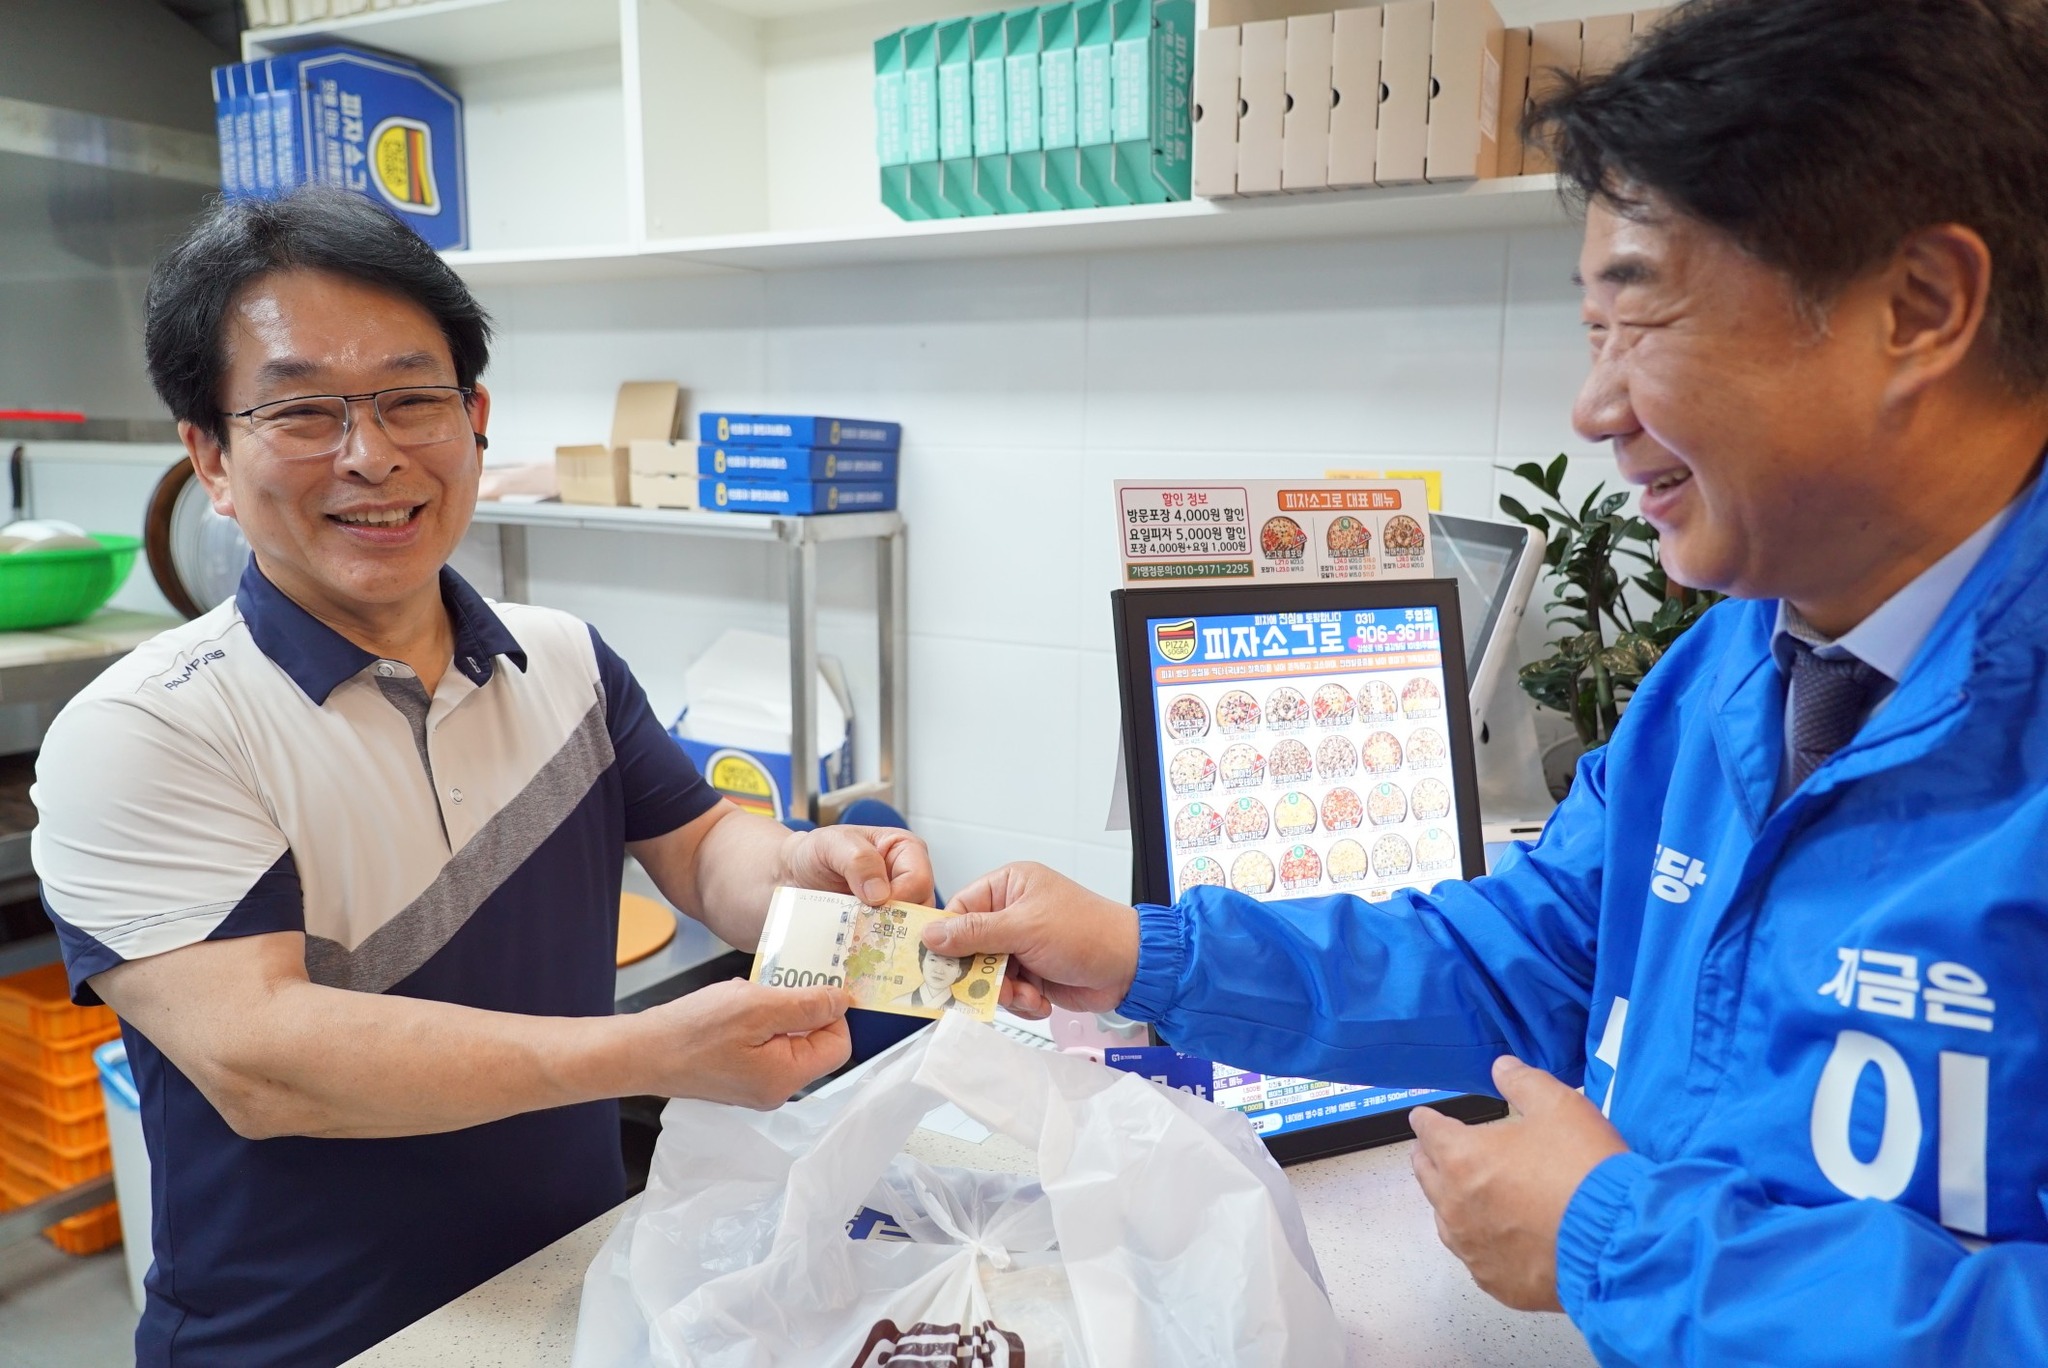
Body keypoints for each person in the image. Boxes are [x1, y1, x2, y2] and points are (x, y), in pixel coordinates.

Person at [925, 1, 2048, 1362]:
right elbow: (1522, 955)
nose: (1595, 408)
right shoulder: (1720, 677)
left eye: (1639, 316)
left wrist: (1619, 1244)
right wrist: (1145, 953)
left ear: (1917, 308)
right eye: (1587, 330)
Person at [29, 188, 929, 1368]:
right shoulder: (146, 730)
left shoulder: (562, 658)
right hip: (306, 1343)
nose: (372, 455)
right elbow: (263, 1062)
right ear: (211, 456)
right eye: (301, 411)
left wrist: (807, 867)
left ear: (475, 419)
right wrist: (652, 1052)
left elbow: (706, 848)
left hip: (574, 1291)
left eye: (412, 398)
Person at [886, 942, 968, 1013]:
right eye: (933, 960)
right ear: (922, 962)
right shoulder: (896, 1004)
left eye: (949, 964)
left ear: (959, 972)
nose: (939, 971)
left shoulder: (969, 1013)